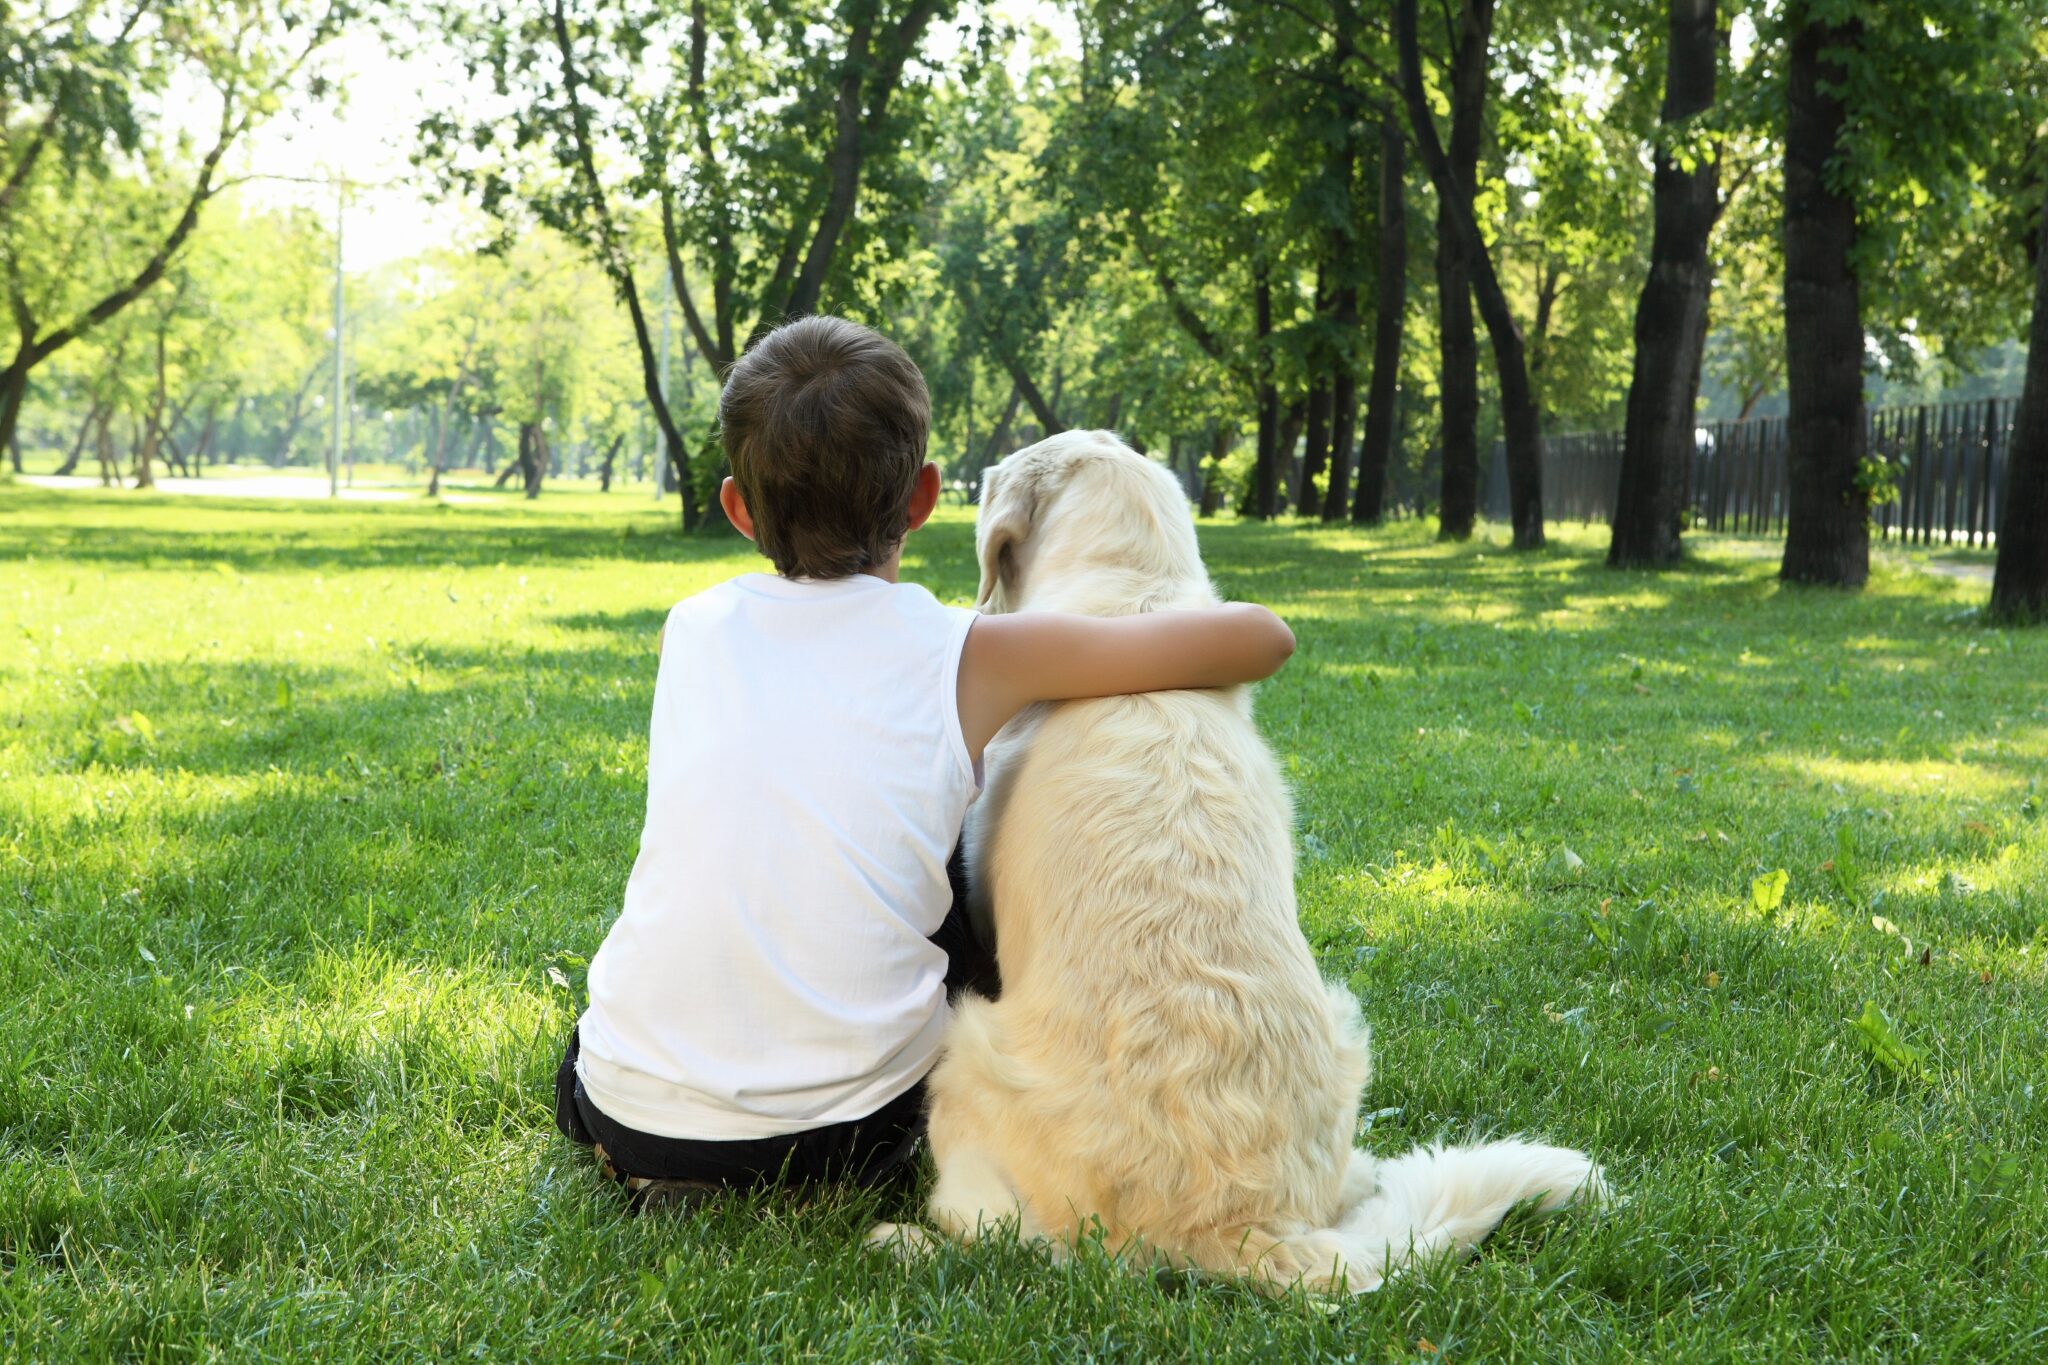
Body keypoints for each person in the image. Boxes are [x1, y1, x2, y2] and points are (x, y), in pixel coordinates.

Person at [554, 315, 1296, 1210]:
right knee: (954, 854)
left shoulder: (692, 627)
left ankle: (672, 1147)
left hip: (626, 1111)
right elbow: (1260, 638)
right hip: (846, 1138)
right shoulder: (968, 653)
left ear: (737, 508)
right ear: (924, 498)